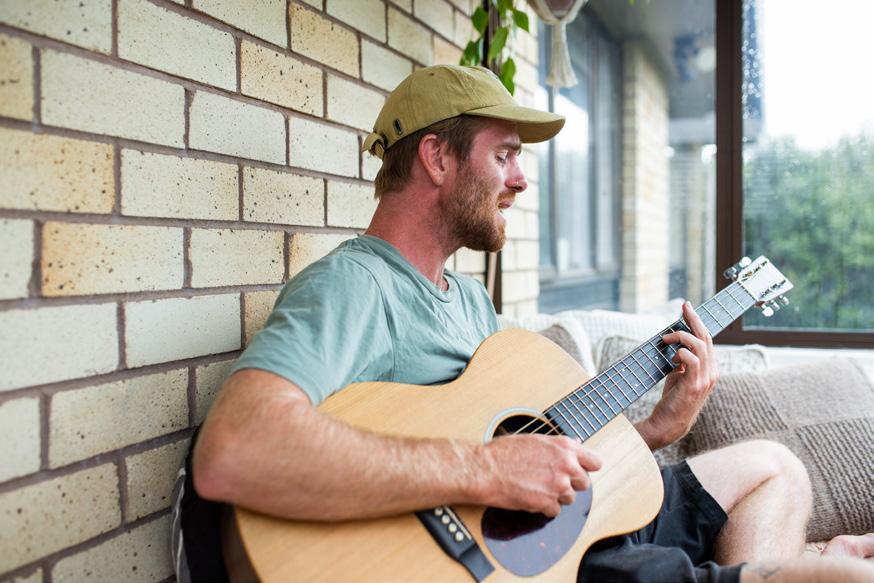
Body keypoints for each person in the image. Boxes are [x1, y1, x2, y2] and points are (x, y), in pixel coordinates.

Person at [176, 65, 874, 583]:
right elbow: (235, 448)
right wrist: (484, 468)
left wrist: (657, 429)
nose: (520, 179)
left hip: (555, 534)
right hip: (494, 561)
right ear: (437, 157)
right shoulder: (356, 285)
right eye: (504, 154)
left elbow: (533, 459)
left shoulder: (468, 301)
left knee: (776, 468)